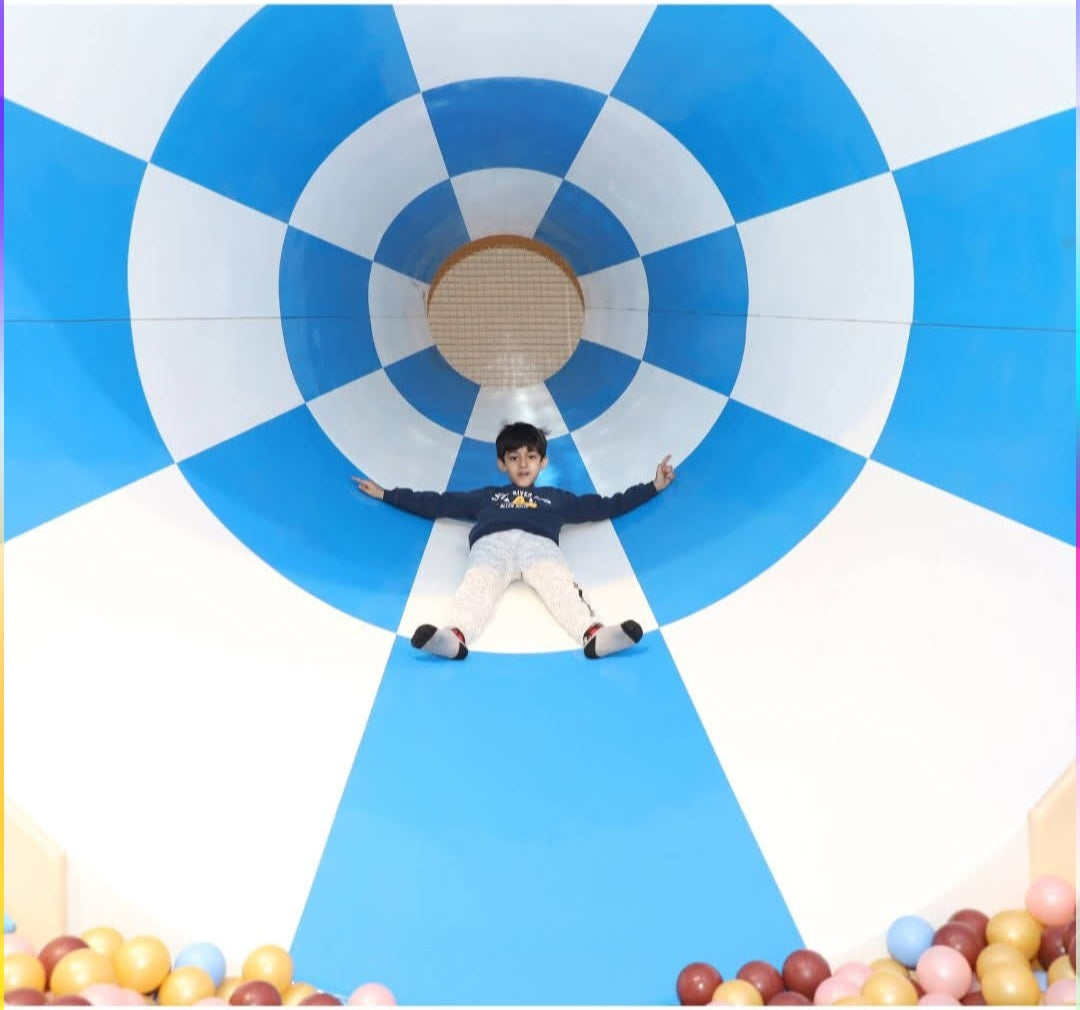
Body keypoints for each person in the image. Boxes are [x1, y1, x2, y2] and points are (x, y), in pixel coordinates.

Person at [353, 421, 676, 660]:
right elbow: (438, 502)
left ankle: (594, 634)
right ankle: (454, 636)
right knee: (477, 584)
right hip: (492, 542)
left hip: (540, 544)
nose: (523, 464)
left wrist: (653, 487)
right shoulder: (488, 497)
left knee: (558, 583)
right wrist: (386, 494)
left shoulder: (555, 498)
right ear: (501, 463)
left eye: (531, 457)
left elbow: (606, 505)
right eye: (514, 458)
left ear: (543, 462)